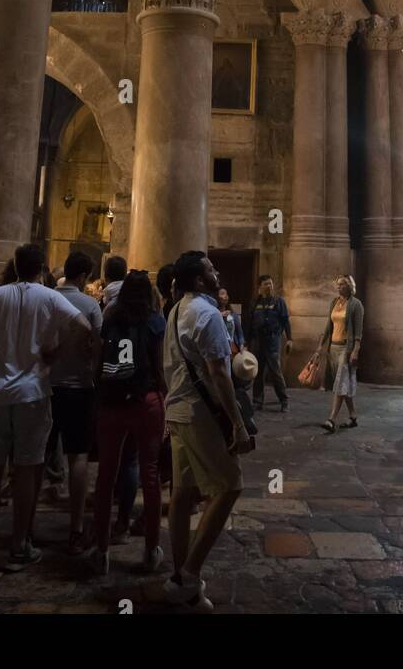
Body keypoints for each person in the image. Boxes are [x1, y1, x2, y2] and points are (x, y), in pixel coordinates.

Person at [0, 242, 93, 572]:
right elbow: (83, 326)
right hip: (32, 393)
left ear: (15, 264)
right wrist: (57, 353)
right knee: (27, 471)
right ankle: (18, 545)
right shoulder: (51, 296)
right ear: (41, 267)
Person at [163, 251, 253, 611]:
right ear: (200, 280)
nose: (217, 271)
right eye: (211, 269)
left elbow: (166, 365)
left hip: (178, 409)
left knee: (183, 493)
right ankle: (189, 572)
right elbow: (219, 373)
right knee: (230, 486)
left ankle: (181, 579)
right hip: (200, 414)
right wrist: (237, 423)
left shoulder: (175, 311)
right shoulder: (207, 313)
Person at [91, 270, 167, 576]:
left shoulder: (110, 318)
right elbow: (159, 365)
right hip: (145, 399)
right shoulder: (154, 320)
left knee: (106, 474)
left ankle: (102, 550)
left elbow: (98, 359)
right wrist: (162, 392)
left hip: (112, 400)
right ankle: (150, 550)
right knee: (149, 474)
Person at [45, 250, 103, 555]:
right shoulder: (89, 304)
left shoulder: (45, 298)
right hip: (79, 387)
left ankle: (24, 528)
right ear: (83, 277)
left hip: (44, 386)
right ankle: (76, 527)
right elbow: (100, 345)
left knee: (35, 457)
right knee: (78, 456)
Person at [318, 275, 364, 433]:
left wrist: (355, 351)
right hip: (334, 348)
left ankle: (331, 419)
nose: (339, 287)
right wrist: (320, 347)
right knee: (343, 384)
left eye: (342, 284)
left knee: (339, 384)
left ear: (350, 285)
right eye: (337, 284)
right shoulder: (334, 302)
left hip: (347, 348)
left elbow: (358, 332)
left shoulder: (356, 305)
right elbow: (327, 326)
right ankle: (352, 416)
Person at [248, 274, 292, 412]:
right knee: (258, 373)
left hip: (273, 341)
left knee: (275, 372)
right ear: (260, 287)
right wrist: (246, 341)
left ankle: (284, 401)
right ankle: (257, 401)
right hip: (258, 342)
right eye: (266, 284)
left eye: (271, 284)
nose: (269, 286)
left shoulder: (279, 302)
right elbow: (249, 323)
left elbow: (285, 321)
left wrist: (290, 339)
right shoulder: (255, 302)